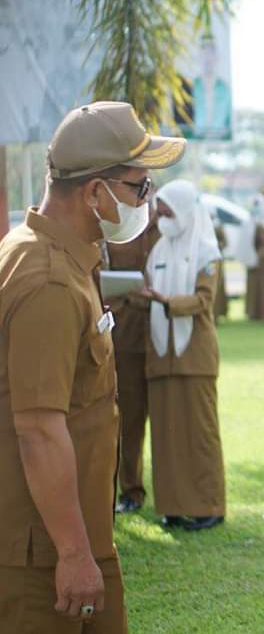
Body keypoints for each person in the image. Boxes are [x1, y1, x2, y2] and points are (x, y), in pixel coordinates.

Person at [0, 101, 183, 632]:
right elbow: (38, 428)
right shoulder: (49, 280)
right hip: (44, 549)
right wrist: (75, 555)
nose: (147, 201)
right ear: (95, 192)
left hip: (67, 532)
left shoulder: (58, 254)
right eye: (139, 187)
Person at [138, 180, 227, 531]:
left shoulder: (207, 253)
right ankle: (172, 507)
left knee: (199, 433)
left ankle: (209, 506)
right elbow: (147, 289)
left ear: (186, 213)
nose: (161, 218)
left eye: (167, 212)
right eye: (159, 212)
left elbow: (204, 301)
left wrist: (163, 301)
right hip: (161, 356)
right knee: (166, 434)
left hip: (195, 356)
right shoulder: (158, 251)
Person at [105, 208, 161, 514]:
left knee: (171, 419)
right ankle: (131, 490)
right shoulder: (115, 230)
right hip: (127, 339)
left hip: (168, 339)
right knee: (130, 418)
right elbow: (103, 284)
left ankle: (173, 494)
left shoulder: (171, 228)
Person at [212, 211, 229, 321]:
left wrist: (217, 246)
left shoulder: (218, 226)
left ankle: (217, 314)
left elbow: (225, 242)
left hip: (217, 258)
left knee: (218, 286)